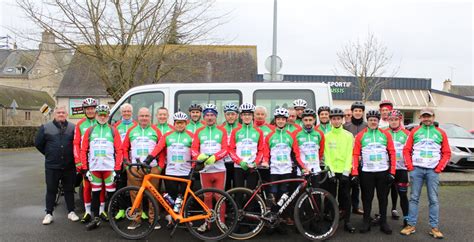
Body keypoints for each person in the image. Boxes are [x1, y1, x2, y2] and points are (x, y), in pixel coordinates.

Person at [400, 108, 451, 239]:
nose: (426, 119)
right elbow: (406, 150)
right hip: (416, 170)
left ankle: (434, 227)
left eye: (429, 116)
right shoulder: (414, 131)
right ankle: (411, 225)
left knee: (433, 199)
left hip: (433, 171)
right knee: (414, 198)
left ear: (433, 117)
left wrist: (439, 168)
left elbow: (447, 153)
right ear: (420, 118)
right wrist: (410, 167)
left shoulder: (441, 133)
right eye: (424, 116)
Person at [352, 110, 396, 234]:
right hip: (367, 172)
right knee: (367, 198)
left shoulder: (385, 135)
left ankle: (383, 222)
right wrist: (355, 172)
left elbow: (392, 152)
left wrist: (392, 172)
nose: (373, 122)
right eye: (371, 120)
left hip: (383, 171)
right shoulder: (361, 135)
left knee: (383, 198)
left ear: (378, 121)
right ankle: (366, 221)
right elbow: (355, 154)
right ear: (368, 121)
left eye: (375, 120)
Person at [262, 107, 308, 229]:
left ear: (286, 120)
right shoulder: (270, 136)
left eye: (283, 119)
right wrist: (265, 161)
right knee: (273, 195)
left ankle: (281, 220)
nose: (281, 121)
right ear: (275, 120)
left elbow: (296, 154)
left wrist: (303, 167)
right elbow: (266, 153)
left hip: (287, 170)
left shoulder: (291, 136)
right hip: (274, 170)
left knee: (284, 195)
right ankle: (271, 221)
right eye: (278, 119)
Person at [80, 104, 122, 230]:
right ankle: (96, 218)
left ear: (108, 116)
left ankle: (112, 218)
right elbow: (83, 150)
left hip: (109, 168)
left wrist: (117, 169)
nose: (102, 117)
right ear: (96, 115)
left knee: (111, 194)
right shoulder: (90, 130)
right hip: (94, 168)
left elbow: (119, 150)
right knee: (96, 193)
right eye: (100, 115)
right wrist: (85, 168)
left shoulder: (113, 130)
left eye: (105, 115)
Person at [35, 106, 80, 225]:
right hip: (52, 166)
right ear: (55, 114)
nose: (61, 114)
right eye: (59, 112)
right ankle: (48, 213)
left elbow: (76, 144)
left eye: (63, 112)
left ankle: (71, 212)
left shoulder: (73, 128)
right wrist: (49, 154)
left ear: (66, 114)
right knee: (51, 190)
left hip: (69, 166)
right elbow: (38, 144)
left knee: (69, 189)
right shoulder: (45, 127)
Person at [150, 111, 194, 227]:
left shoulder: (191, 136)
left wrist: (195, 166)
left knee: (185, 197)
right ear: (174, 124)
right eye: (178, 123)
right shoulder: (167, 136)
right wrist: (148, 159)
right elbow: (158, 149)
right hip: (171, 171)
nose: (180, 125)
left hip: (186, 171)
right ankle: (171, 218)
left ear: (186, 123)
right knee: (171, 196)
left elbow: (195, 152)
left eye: (182, 123)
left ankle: (185, 217)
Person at [122, 107, 164, 230]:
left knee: (153, 195)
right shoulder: (132, 130)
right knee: (135, 194)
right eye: (142, 116)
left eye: (146, 116)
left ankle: (153, 219)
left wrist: (160, 166)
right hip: (135, 168)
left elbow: (162, 149)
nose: (144, 118)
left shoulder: (156, 130)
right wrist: (126, 163)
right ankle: (136, 219)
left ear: (150, 117)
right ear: (138, 117)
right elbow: (124, 148)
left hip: (152, 168)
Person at [191, 104, 229, 232]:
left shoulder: (222, 131)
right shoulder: (199, 131)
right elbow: (193, 150)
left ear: (216, 117)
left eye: (212, 115)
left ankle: (221, 222)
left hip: (219, 169)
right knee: (206, 197)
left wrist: (215, 157)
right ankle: (207, 223)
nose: (209, 117)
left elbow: (226, 149)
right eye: (207, 115)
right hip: (205, 171)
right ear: (204, 117)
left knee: (220, 197)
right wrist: (199, 156)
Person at [73, 98, 106, 223]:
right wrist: (78, 161)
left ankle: (102, 210)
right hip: (86, 160)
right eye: (88, 109)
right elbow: (76, 144)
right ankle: (87, 212)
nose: (90, 111)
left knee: (101, 186)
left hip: (99, 160)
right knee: (87, 186)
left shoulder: (102, 122)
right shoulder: (80, 124)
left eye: (92, 108)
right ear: (84, 110)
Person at [323, 108, 356, 233]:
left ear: (342, 120)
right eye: (334, 119)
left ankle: (347, 221)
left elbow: (350, 154)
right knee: (331, 197)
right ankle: (332, 220)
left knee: (346, 197)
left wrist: (346, 171)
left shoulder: (348, 135)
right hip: (331, 171)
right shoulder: (326, 136)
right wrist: (330, 171)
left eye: (338, 119)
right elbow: (326, 155)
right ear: (330, 120)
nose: (336, 121)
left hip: (344, 171)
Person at [228, 103, 264, 191]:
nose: (247, 117)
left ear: (253, 116)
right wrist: (239, 162)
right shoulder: (235, 131)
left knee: (251, 194)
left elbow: (261, 150)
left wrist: (256, 162)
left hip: (252, 166)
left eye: (249, 115)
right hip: (239, 167)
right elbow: (231, 149)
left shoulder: (258, 131)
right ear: (241, 116)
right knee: (238, 193)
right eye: (244, 115)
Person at [385, 110, 410, 224]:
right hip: (387, 168)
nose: (394, 122)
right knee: (385, 193)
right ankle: (384, 215)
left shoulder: (407, 133)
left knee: (403, 194)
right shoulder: (384, 132)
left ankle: (406, 218)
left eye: (396, 119)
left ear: (400, 120)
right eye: (391, 120)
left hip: (401, 169)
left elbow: (412, 150)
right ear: (388, 120)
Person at [113, 103, 137, 220]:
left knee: (135, 185)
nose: (126, 113)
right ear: (121, 113)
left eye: (128, 111)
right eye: (124, 111)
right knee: (121, 185)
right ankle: (122, 209)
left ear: (132, 112)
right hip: (120, 160)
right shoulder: (116, 126)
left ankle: (136, 208)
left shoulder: (136, 125)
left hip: (133, 160)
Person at [343, 101, 367, 215]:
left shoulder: (367, 126)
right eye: (355, 111)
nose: (358, 113)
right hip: (348, 159)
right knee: (347, 186)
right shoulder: (345, 126)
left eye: (360, 111)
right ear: (352, 112)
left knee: (358, 186)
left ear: (363, 112)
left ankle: (356, 206)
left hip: (362, 160)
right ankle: (344, 207)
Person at [293, 108, 324, 183]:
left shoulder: (319, 133)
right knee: (302, 193)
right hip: (302, 170)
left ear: (314, 120)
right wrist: (302, 167)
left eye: (310, 120)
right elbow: (295, 154)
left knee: (315, 193)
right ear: (302, 120)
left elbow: (321, 151)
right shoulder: (296, 133)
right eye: (306, 120)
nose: (308, 122)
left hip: (315, 169)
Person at [220, 103, 241, 190]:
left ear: (237, 116)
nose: (230, 116)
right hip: (224, 162)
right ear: (225, 115)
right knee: (226, 186)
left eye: (233, 114)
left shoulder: (241, 128)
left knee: (238, 186)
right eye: (228, 114)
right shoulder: (220, 128)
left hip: (237, 162)